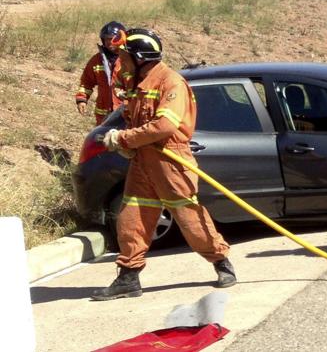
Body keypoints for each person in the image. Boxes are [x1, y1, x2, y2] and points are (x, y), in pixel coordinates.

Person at [91, 28, 233, 301]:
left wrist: (124, 138)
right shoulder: (139, 82)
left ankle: (221, 262)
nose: (121, 60)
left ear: (140, 57)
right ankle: (128, 278)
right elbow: (134, 113)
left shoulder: (171, 83)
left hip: (170, 161)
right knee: (131, 220)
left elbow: (165, 125)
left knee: (190, 220)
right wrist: (128, 146)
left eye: (125, 55)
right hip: (143, 162)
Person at [75, 21, 127, 126]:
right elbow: (86, 82)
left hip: (125, 112)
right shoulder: (97, 60)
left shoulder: (129, 59)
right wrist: (82, 99)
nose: (109, 42)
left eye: (112, 38)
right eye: (106, 39)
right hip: (103, 115)